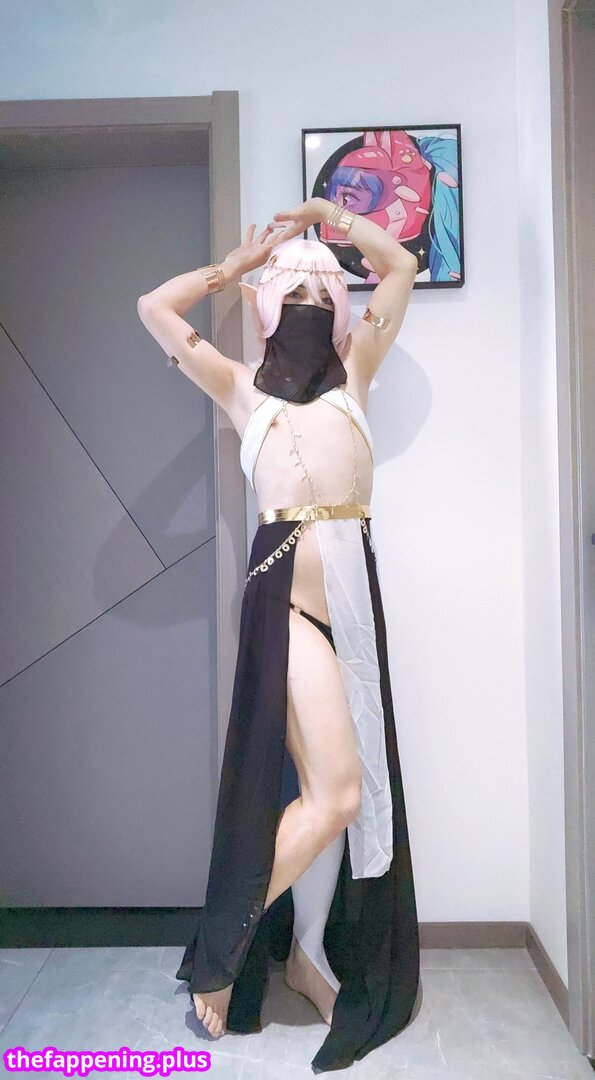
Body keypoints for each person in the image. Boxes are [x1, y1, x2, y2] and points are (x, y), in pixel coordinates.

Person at [136, 197, 422, 1074]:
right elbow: (154, 308)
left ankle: (303, 954)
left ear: (338, 307)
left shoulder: (358, 368)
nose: (304, 294)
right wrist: (231, 268)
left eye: (320, 287)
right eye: (288, 287)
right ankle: (220, 952)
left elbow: (401, 265)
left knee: (344, 796)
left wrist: (329, 215)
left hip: (353, 609)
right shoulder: (237, 385)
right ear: (263, 306)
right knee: (333, 795)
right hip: (285, 608)